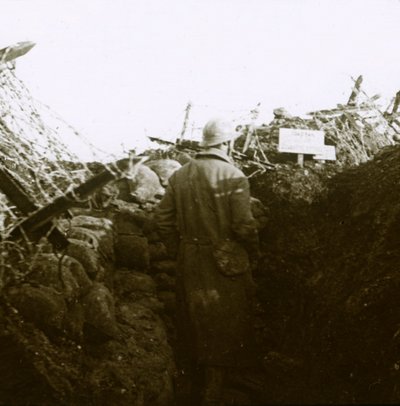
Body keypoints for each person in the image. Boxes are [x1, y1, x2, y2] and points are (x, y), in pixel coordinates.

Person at [155, 118, 260, 406]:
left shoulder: (180, 176)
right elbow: (243, 226)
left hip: (190, 257)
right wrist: (254, 250)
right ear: (226, 143)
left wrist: (180, 248)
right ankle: (215, 387)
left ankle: (195, 381)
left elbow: (163, 219)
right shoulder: (234, 176)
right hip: (225, 259)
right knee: (225, 318)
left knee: (194, 316)